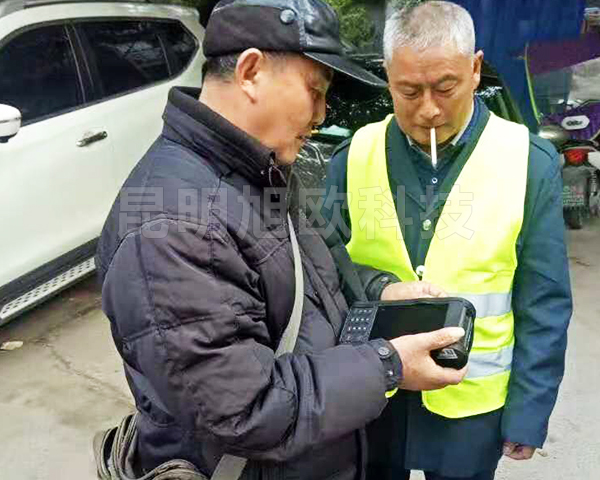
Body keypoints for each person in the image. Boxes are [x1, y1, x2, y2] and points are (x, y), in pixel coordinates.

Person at [94, 1, 468, 479]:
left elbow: (314, 274)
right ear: (251, 72)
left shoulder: (259, 172)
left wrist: (381, 291)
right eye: (315, 91)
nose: (322, 114)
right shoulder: (173, 228)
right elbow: (245, 410)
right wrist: (387, 365)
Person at [322, 2, 573, 480]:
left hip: (470, 410)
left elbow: (544, 300)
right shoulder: (353, 157)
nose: (429, 109)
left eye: (445, 87)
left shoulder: (528, 162)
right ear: (389, 77)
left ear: (475, 69)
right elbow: (324, 269)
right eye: (409, 91)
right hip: (372, 396)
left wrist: (529, 410)